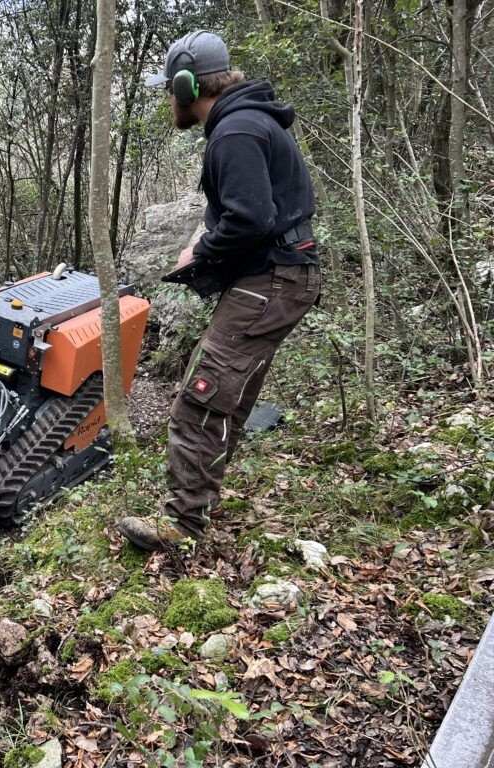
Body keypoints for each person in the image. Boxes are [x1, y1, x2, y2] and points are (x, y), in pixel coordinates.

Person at [117, 30, 322, 550]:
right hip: (281, 278)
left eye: (169, 90)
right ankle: (199, 502)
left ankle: (182, 524)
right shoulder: (249, 122)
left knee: (200, 399)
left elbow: (251, 218)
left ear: (187, 87)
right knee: (228, 398)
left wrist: (201, 251)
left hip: (270, 280)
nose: (168, 100)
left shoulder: (234, 131)